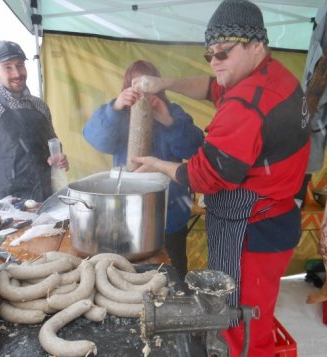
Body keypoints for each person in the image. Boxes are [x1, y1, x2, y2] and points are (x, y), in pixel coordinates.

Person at [131, 1, 310, 356]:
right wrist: (164, 82)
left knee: (241, 318)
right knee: (251, 312)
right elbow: (211, 86)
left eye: (223, 53)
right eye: (210, 54)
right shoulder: (273, 74)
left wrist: (158, 165)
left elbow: (203, 176)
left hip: (252, 229)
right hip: (276, 216)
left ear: (256, 45)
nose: (215, 62)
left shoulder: (247, 105)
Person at [83, 60, 205, 281]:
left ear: (158, 86)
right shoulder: (118, 114)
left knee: (173, 274)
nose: (142, 91)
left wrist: (168, 120)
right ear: (126, 87)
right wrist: (115, 108)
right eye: (135, 85)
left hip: (170, 214)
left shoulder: (173, 112)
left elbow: (195, 148)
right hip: (129, 217)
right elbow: (96, 139)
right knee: (132, 276)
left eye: (148, 85)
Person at [0, 40, 69, 208]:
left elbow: (53, 143)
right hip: (5, 208)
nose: (17, 73)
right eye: (7, 67)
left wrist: (57, 157)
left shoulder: (40, 106)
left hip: (45, 202)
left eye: (20, 65)